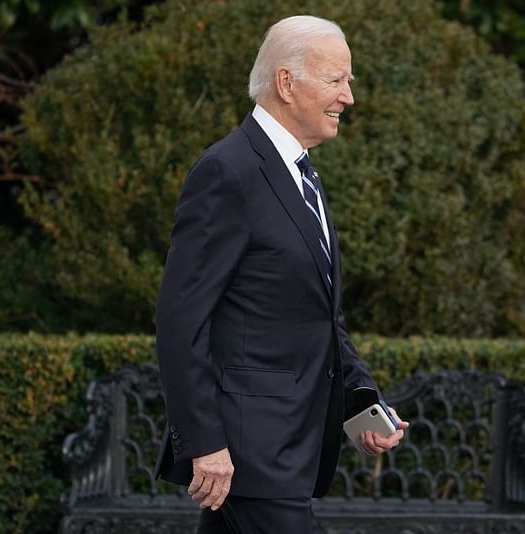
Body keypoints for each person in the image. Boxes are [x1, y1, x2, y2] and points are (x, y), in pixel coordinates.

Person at [154, 15, 408, 533]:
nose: (349, 97)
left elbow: (319, 315)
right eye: (337, 80)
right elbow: (182, 321)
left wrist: (361, 398)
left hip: (289, 448)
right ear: (286, 83)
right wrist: (205, 442)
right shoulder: (228, 172)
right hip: (250, 456)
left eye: (349, 82)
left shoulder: (301, 174)